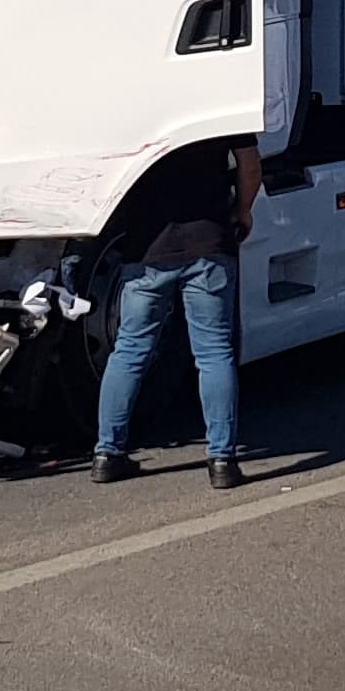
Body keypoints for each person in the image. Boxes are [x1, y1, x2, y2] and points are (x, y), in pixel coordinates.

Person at [92, 131, 263, 490]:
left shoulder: (135, 99)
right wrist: (242, 210)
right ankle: (222, 462)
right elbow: (249, 165)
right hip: (209, 244)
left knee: (130, 350)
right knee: (214, 353)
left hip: (145, 248)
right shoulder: (221, 95)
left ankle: (107, 454)